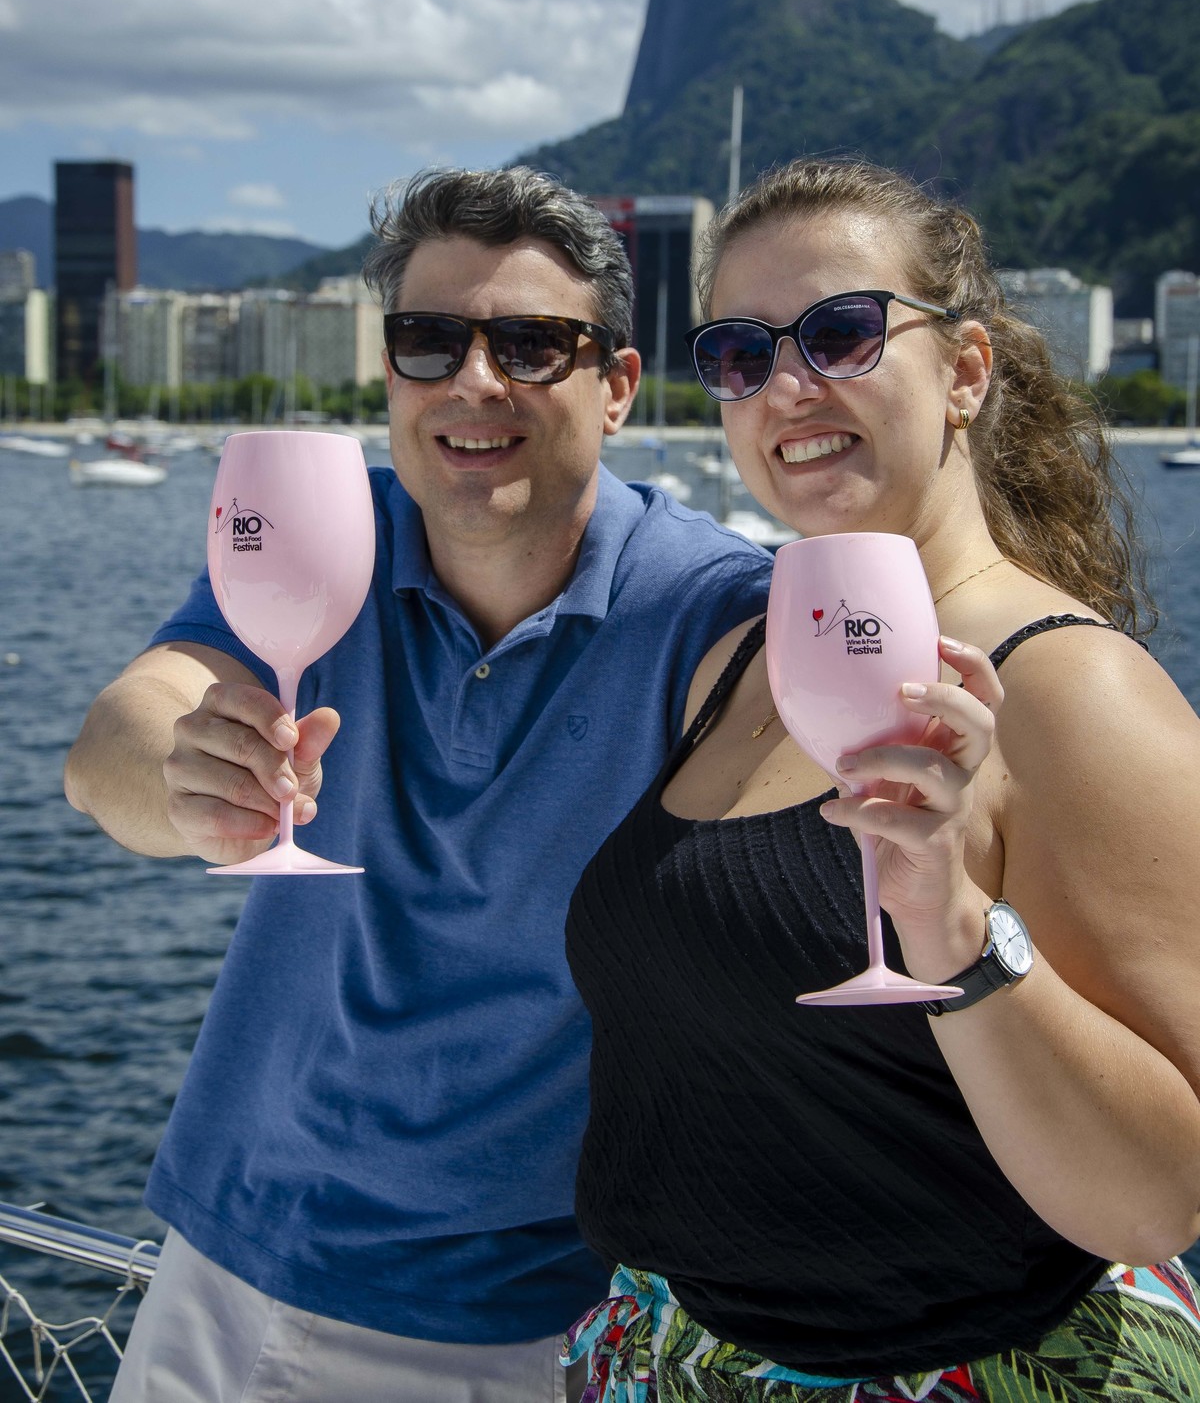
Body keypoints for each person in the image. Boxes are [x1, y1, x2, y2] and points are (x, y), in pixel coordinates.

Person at [64, 166, 774, 1403]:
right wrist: (183, 778)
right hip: (222, 1259)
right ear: (390, 373)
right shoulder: (321, 534)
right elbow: (113, 742)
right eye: (430, 341)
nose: (473, 380)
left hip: (509, 1324)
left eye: (531, 344)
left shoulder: (712, 611)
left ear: (617, 386)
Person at [562, 157, 1200, 1403]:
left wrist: (955, 928)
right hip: (680, 1357)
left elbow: (1159, 1200)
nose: (787, 384)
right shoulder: (741, 664)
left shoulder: (1073, 690)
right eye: (740, 353)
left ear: (964, 371)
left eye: (842, 333)